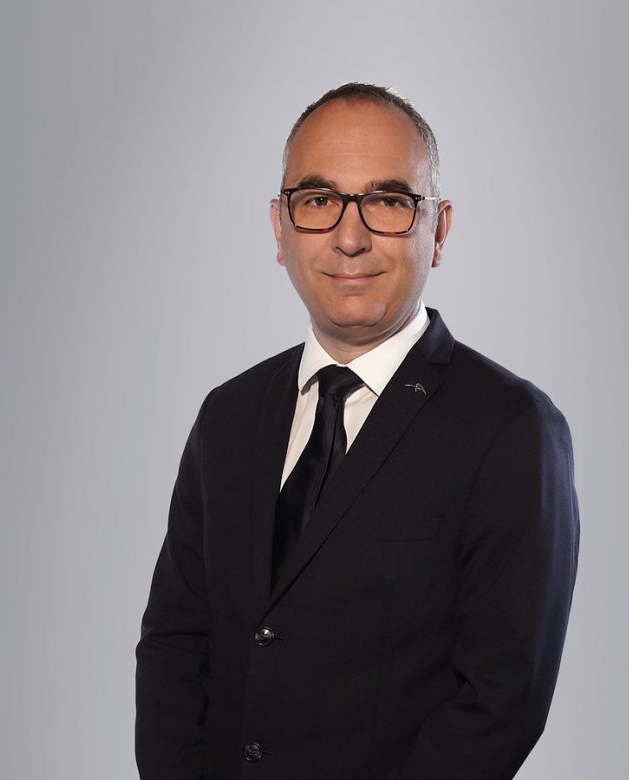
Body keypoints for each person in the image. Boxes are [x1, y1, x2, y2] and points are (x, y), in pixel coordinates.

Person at [135, 82, 579, 780]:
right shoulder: (229, 415)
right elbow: (175, 643)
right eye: (318, 200)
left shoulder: (511, 429)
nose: (349, 237)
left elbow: (501, 701)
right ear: (279, 228)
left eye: (389, 202)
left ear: (439, 230)